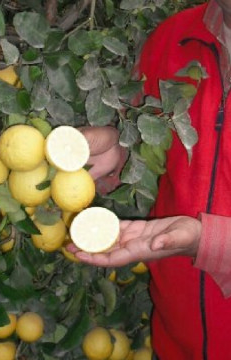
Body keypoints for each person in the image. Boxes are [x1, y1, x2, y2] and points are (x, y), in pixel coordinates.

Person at [68, 1, 231, 359]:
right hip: (174, 343)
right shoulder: (173, 39)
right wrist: (118, 158)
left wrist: (210, 242)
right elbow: (155, 152)